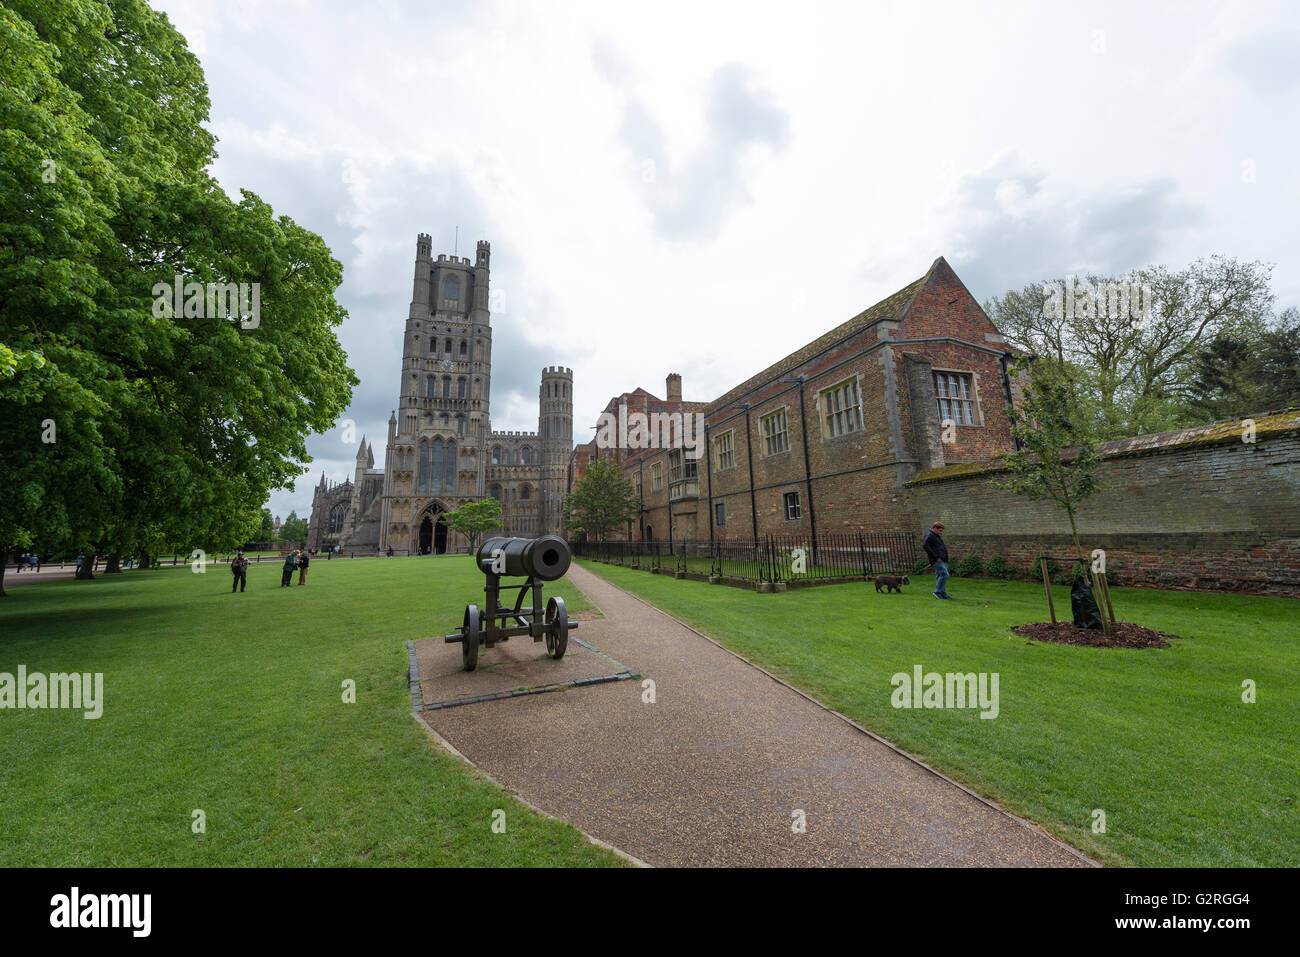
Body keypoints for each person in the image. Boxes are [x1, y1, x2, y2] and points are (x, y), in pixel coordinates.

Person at [923, 522, 952, 600]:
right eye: (940, 530)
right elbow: (925, 546)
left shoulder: (936, 536)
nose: (941, 532)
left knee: (940, 576)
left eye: (942, 530)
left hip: (942, 559)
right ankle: (937, 592)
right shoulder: (930, 535)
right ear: (935, 528)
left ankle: (943, 593)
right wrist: (936, 557)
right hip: (937, 560)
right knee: (945, 575)